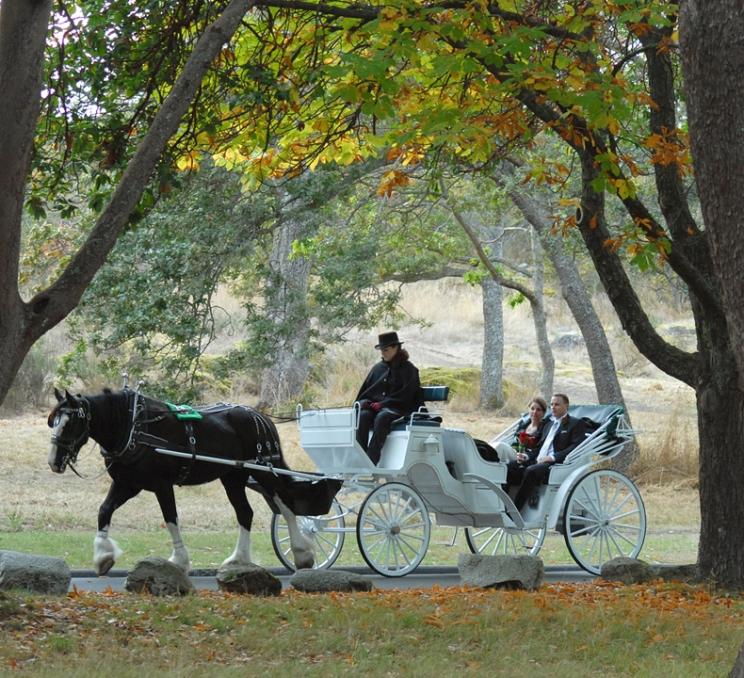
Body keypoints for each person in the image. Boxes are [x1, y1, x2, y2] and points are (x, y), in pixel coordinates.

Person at [507, 393, 587, 512]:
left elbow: (574, 447)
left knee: (531, 471)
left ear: (566, 406)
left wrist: (552, 457)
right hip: (537, 460)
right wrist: (527, 455)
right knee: (509, 467)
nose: (553, 407)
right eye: (552, 404)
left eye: (557, 405)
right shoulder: (548, 424)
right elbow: (539, 447)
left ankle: (514, 511)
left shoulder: (575, 423)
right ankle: (502, 506)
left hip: (555, 463)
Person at [355, 331, 424, 464]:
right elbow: (365, 393)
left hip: (401, 409)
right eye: (381, 350)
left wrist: (384, 404)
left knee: (383, 416)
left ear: (396, 348)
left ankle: (372, 459)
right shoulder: (377, 369)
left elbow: (407, 396)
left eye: (386, 350)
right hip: (379, 410)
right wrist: (366, 403)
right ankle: (361, 458)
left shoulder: (409, 370)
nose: (383, 353)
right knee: (363, 415)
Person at [495, 397, 548, 464]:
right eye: (532, 409)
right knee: (495, 446)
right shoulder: (523, 425)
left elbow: (540, 449)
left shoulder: (544, 429)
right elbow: (514, 440)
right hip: (514, 452)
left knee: (500, 446)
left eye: (538, 410)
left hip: (525, 456)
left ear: (543, 413)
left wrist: (527, 455)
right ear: (529, 410)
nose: (534, 412)